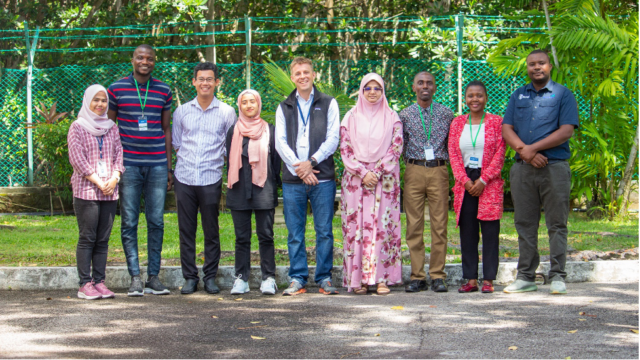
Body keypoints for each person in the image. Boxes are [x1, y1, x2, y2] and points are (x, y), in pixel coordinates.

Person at [502, 50, 579, 295]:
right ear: (527, 67)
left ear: (549, 66)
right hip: (523, 170)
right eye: (532, 64)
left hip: (554, 168)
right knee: (524, 224)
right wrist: (526, 153)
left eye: (541, 63)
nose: (537, 67)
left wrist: (532, 149)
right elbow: (507, 129)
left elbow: (567, 130)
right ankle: (525, 276)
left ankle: (557, 276)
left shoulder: (563, 94)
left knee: (557, 224)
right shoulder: (518, 95)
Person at [107, 44, 173, 297]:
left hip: (156, 164)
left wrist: (168, 167)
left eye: (150, 59)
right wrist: (114, 165)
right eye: (140, 58)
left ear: (155, 62)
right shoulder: (116, 88)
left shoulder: (163, 90)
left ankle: (153, 277)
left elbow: (165, 129)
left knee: (156, 221)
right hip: (129, 165)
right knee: (129, 222)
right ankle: (135, 277)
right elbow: (110, 128)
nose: (145, 62)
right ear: (132, 60)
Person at [275, 57, 340, 296]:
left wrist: (311, 163)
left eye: (306, 72)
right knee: (295, 233)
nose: (302, 76)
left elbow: (333, 139)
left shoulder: (329, 103)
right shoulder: (284, 107)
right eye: (298, 73)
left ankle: (324, 278)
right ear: (292, 77)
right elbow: (280, 142)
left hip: (322, 178)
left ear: (314, 75)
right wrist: (299, 169)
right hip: (293, 180)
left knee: (324, 230)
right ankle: (298, 278)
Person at [172, 62, 237, 295]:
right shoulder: (181, 112)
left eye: (210, 79)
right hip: (185, 178)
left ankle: (210, 277)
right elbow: (177, 144)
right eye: (201, 79)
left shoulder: (227, 112)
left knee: (211, 230)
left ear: (217, 82)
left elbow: (231, 146)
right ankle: (190, 277)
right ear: (194, 82)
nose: (205, 83)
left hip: (211, 178)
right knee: (186, 230)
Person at [340, 73, 403, 295]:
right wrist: (362, 171)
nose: (373, 92)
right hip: (357, 181)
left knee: (383, 228)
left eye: (377, 88)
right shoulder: (350, 117)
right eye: (368, 88)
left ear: (383, 91)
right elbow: (345, 150)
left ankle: (382, 279)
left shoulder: (392, 116)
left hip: (384, 180)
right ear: (361, 91)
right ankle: (359, 280)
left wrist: (375, 172)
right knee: (357, 229)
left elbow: (396, 148)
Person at [448, 81, 506, 294]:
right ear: (465, 98)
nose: (475, 99)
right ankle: (470, 279)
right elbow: (453, 154)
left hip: (488, 181)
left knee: (490, 232)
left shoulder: (496, 122)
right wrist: (464, 180)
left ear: (486, 98)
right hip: (465, 182)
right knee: (468, 232)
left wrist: (483, 180)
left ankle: (489, 279)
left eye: (479, 95)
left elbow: (500, 153)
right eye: (470, 95)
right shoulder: (457, 123)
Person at [400, 71, 455, 293]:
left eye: (429, 83)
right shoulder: (403, 115)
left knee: (439, 224)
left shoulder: (446, 114)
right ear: (413, 87)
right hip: (413, 169)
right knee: (414, 225)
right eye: (420, 83)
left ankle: (438, 275)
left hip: (439, 170)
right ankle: (417, 276)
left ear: (434, 87)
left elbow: (452, 145)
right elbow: (400, 146)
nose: (425, 86)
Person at [68, 84, 125, 300]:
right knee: (87, 237)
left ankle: (99, 282)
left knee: (103, 240)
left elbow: (119, 153)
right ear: (87, 101)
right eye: (96, 100)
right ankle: (85, 284)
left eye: (104, 101)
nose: (100, 104)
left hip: (109, 191)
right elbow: (77, 158)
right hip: (87, 192)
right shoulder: (77, 126)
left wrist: (114, 177)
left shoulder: (112, 127)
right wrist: (99, 181)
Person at [226, 89, 281, 296]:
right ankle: (241, 278)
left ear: (259, 104)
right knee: (242, 237)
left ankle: (268, 277)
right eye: (245, 102)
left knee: (266, 235)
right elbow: (229, 158)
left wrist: (269, 181)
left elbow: (276, 161)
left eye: (253, 102)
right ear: (239, 106)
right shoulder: (234, 130)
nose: (249, 106)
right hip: (239, 187)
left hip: (263, 188)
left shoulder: (270, 130)